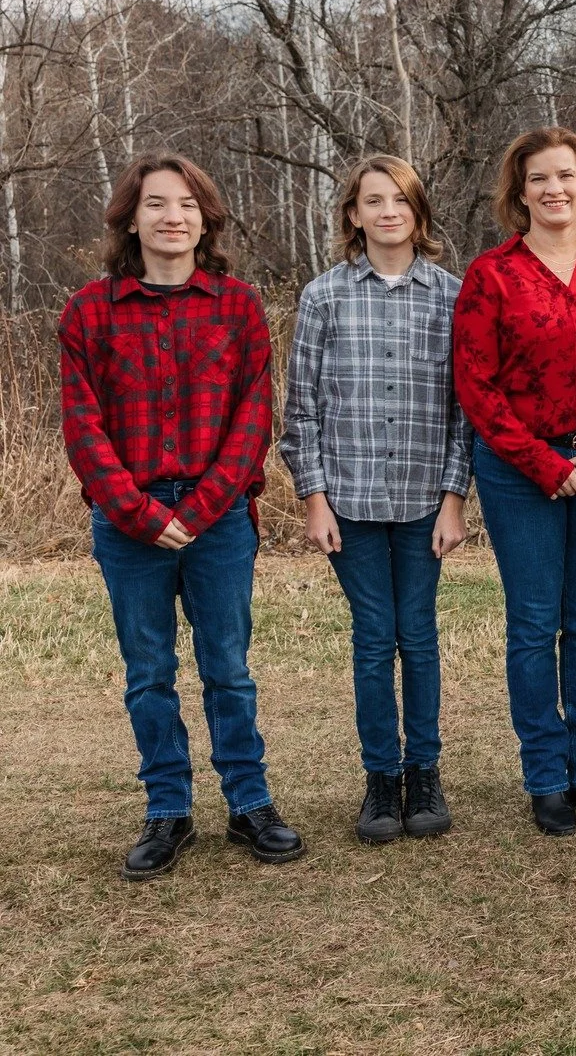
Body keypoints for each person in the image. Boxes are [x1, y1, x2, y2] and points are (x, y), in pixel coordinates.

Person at [59, 154, 304, 880]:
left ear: (207, 217)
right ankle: (168, 808)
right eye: (157, 204)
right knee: (148, 673)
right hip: (127, 522)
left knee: (228, 668)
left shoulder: (238, 305)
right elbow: (82, 426)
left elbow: (252, 418)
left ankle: (249, 801)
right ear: (130, 218)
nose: (174, 216)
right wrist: (136, 510)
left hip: (219, 517)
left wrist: (198, 510)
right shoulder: (88, 311)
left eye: (188, 204)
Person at [454, 127, 576, 837]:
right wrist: (544, 464)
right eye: (539, 178)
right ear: (520, 191)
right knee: (536, 626)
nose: (554, 189)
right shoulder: (492, 274)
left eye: (566, 175)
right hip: (518, 473)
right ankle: (545, 774)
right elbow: (476, 386)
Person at [280, 154, 471, 845]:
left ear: (419, 214)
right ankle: (379, 779)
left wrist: (454, 497)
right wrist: (314, 498)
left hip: (425, 498)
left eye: (401, 199)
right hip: (351, 502)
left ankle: (424, 772)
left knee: (417, 636)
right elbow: (301, 411)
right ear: (353, 215)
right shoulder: (324, 295)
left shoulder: (452, 296)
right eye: (373, 200)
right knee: (372, 639)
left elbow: (463, 411)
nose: (388, 210)